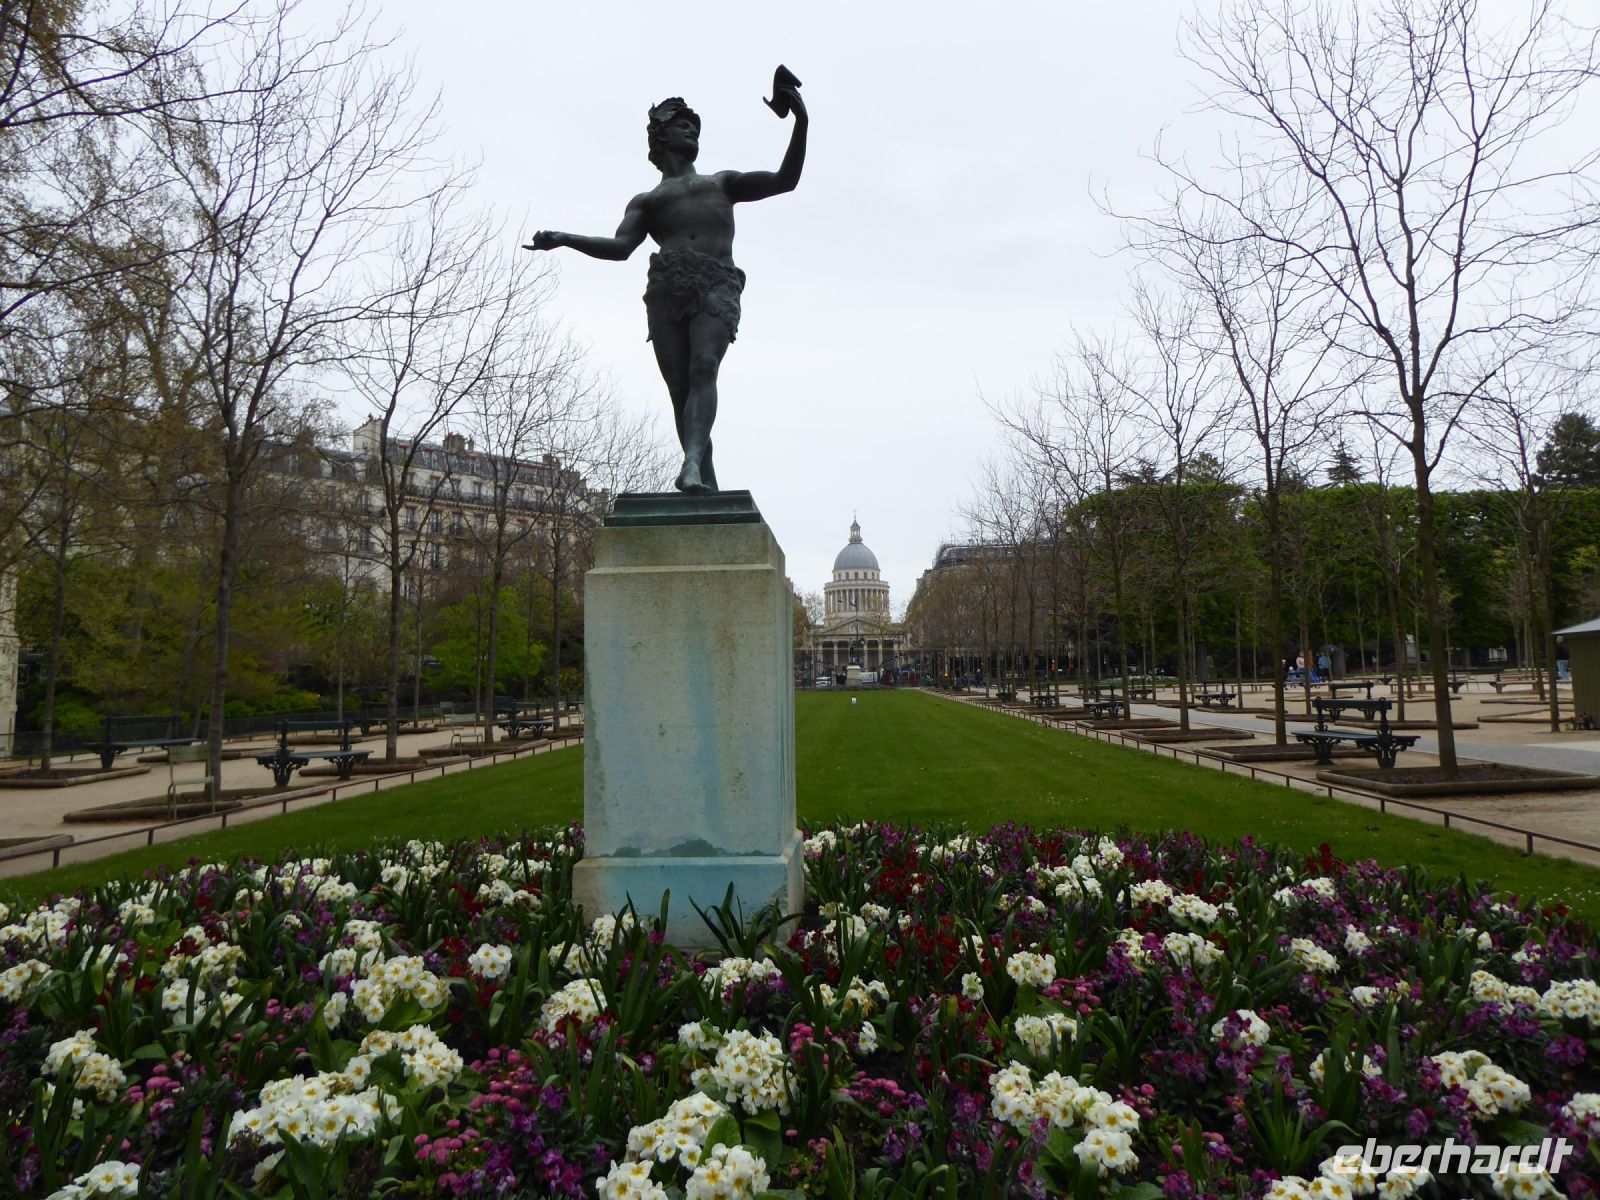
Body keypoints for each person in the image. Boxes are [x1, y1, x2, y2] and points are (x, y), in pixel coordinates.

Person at [524, 74, 808, 493]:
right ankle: (703, 477)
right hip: (666, 289)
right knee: (679, 389)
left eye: (695, 126)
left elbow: (786, 179)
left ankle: (691, 463)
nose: (691, 130)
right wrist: (565, 239)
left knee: (703, 368)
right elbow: (621, 247)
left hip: (715, 284)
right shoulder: (648, 201)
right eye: (682, 124)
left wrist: (801, 119)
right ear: (659, 137)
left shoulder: (722, 183)